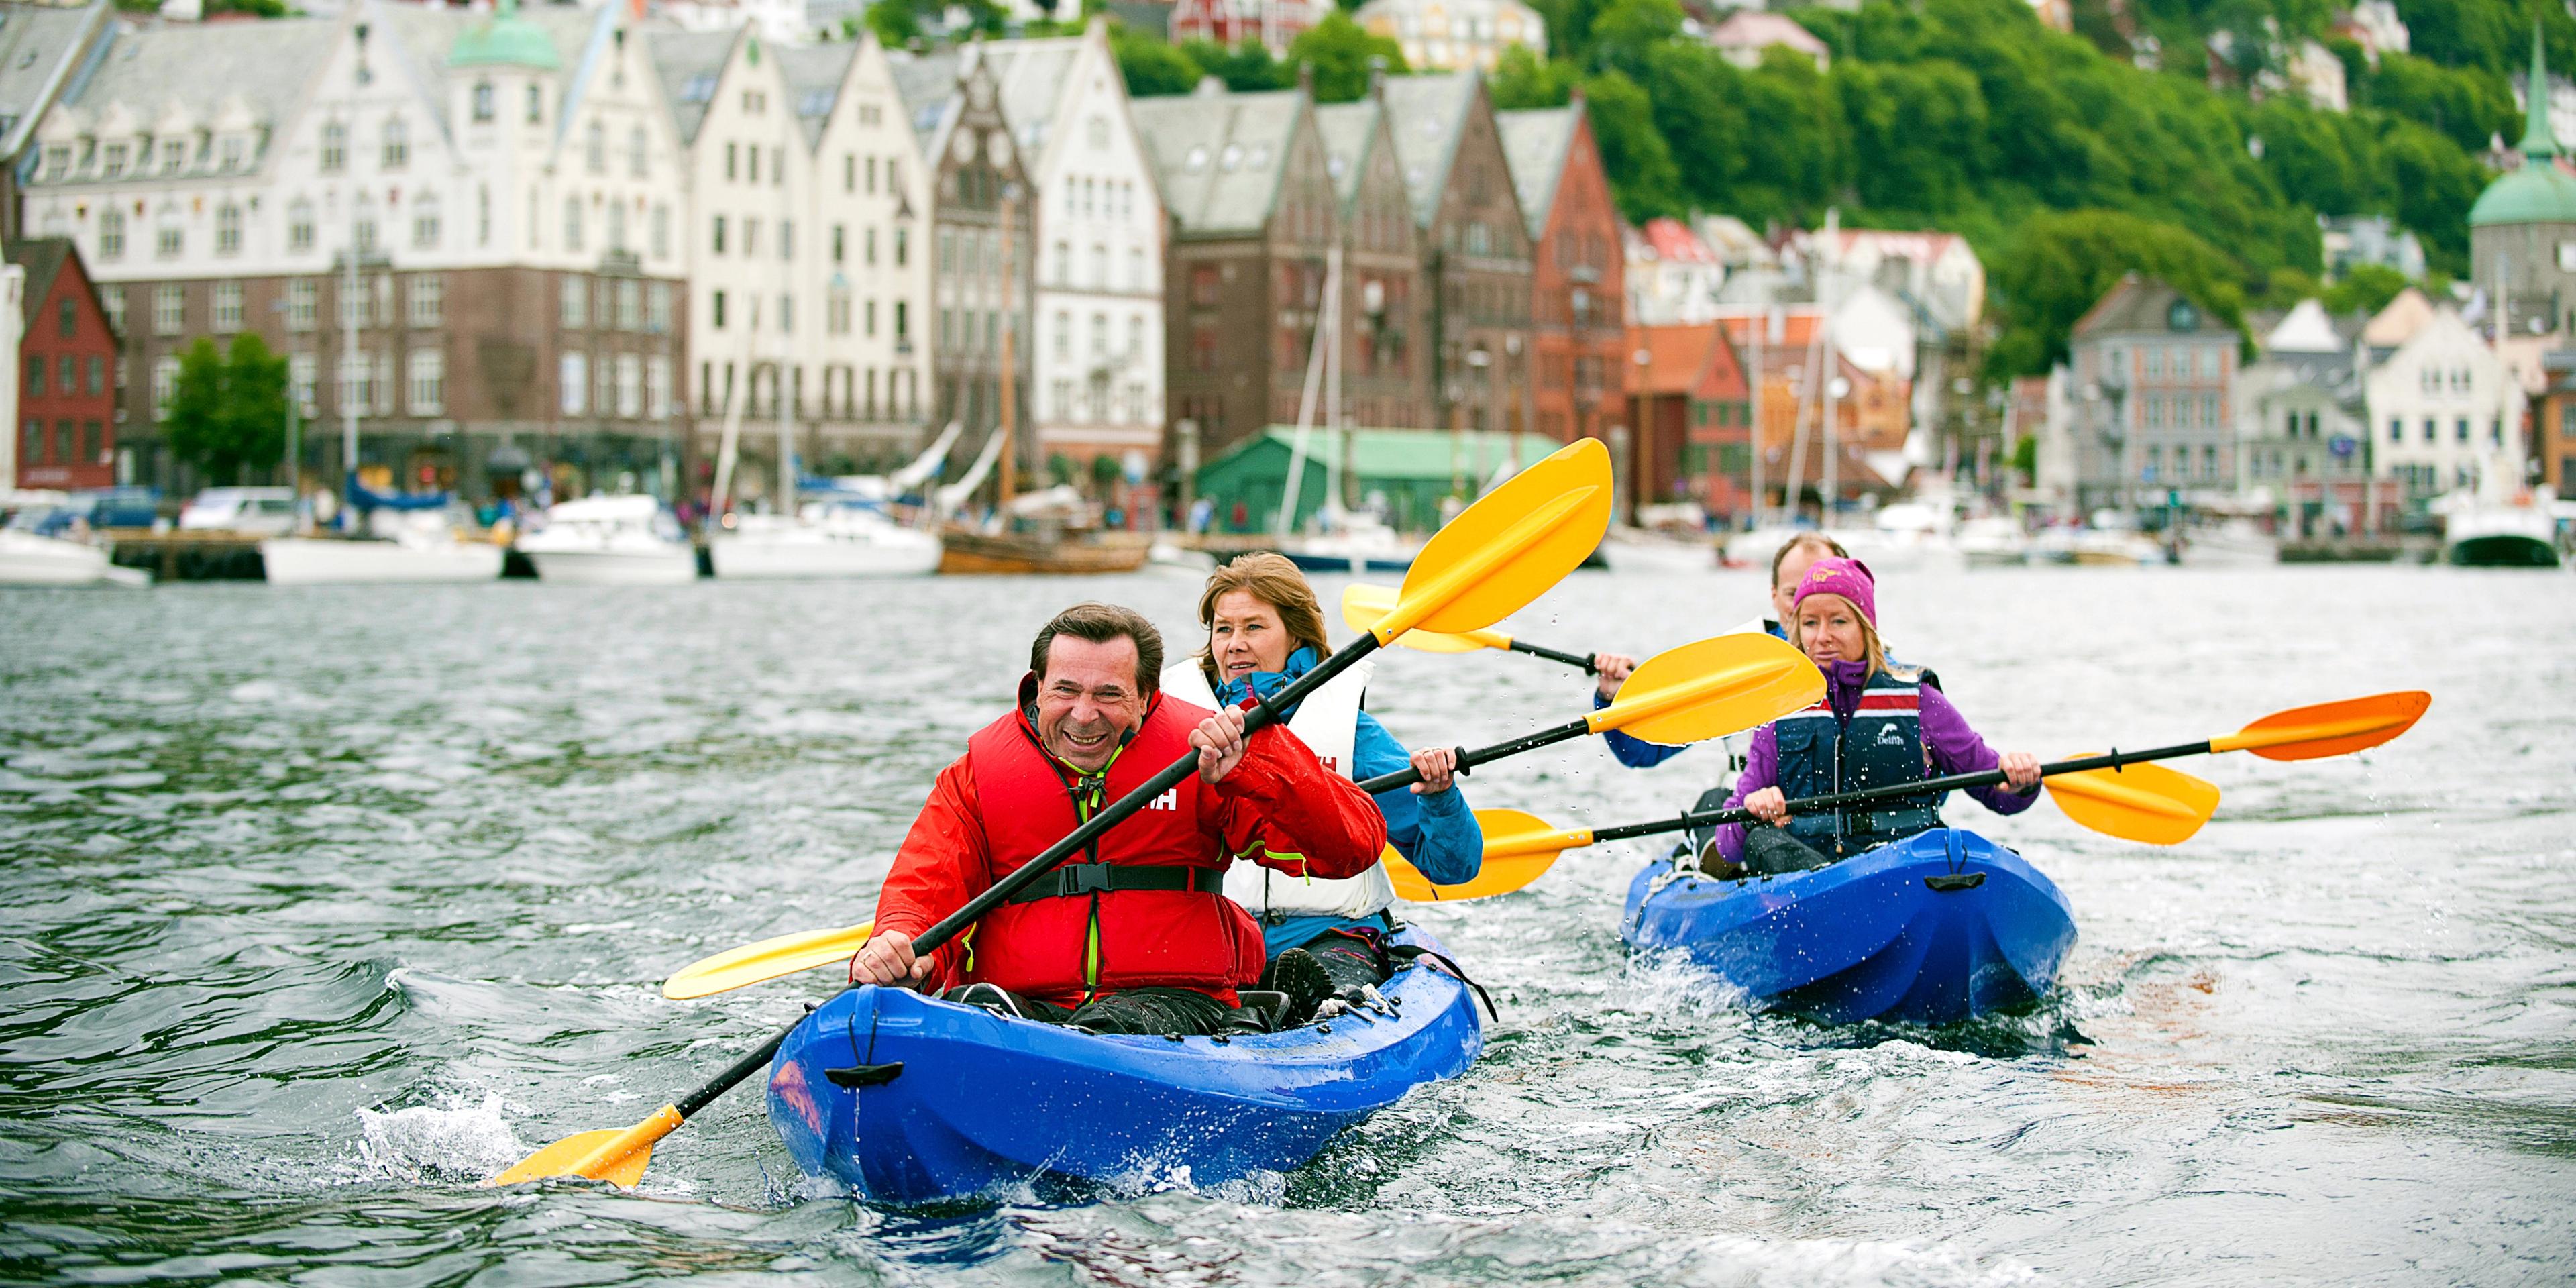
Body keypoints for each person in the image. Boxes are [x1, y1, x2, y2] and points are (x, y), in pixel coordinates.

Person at [847, 603, 1390, 1036]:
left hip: (1171, 1004)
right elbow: (923, 889)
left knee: (1110, 1028)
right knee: (972, 1010)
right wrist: (898, 945)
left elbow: (1353, 846)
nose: (1084, 715)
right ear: (1038, 686)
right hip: (1022, 1007)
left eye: (1109, 695)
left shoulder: (1214, 752)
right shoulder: (976, 775)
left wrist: (1259, 763)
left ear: (1146, 697)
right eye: (1065, 691)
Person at [1165, 554, 1483, 1023]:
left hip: (1336, 936)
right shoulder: (1176, 721)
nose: (1234, 645)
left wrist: (1440, 796)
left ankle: (1318, 1005)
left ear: (1295, 635)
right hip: (1219, 938)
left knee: (1324, 988)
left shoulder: (1349, 731)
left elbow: (1452, 868)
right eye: (1223, 629)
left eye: (1254, 627)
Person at [1702, 557, 2040, 877]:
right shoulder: (1777, 714)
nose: (1823, 637)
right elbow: (1729, 844)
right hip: (1813, 881)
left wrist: (2021, 780)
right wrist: (1752, 810)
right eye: (1810, 623)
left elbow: (1998, 794)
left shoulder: (1921, 702)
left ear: (1866, 628)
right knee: (1762, 840)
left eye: (1839, 621)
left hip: (1903, 869)